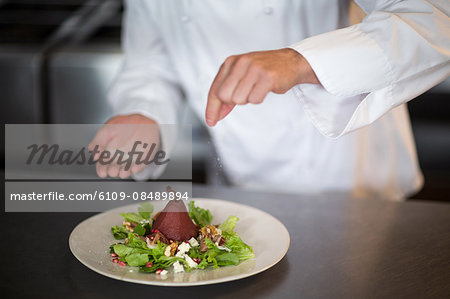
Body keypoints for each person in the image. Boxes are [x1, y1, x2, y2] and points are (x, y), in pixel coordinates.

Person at [90, 0, 450, 200]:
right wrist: (143, 111)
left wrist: (300, 61)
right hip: (237, 184)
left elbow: (433, 22)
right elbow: (151, 63)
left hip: (345, 182)